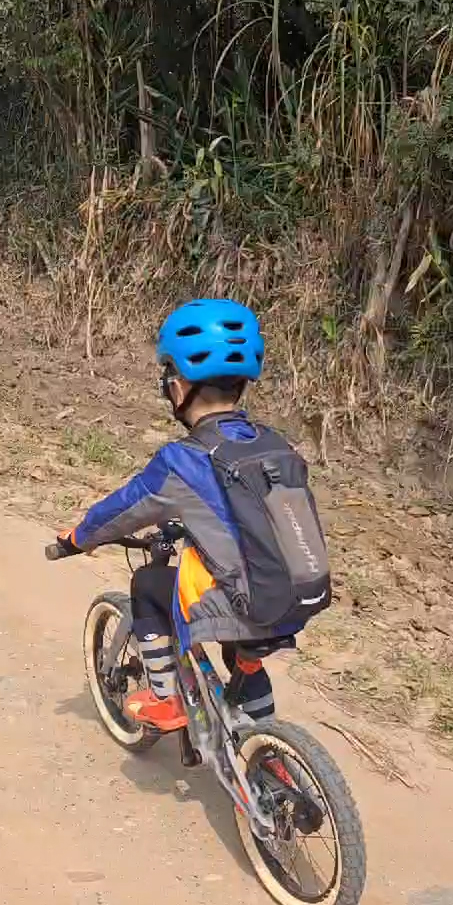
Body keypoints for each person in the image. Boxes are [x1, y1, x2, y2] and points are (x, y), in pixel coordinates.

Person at [58, 298, 309, 732]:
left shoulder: (183, 461)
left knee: (150, 583)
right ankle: (269, 751)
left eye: (168, 376)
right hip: (299, 594)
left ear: (179, 385)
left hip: (247, 601)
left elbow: (123, 509)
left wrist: (78, 537)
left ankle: (165, 698)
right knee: (242, 648)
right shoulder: (273, 444)